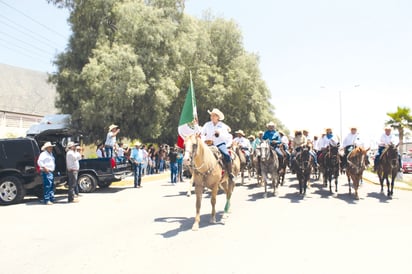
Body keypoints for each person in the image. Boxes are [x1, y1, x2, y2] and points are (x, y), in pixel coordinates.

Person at [201, 108, 234, 178]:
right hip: (208, 144)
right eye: (211, 115)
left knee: (226, 155)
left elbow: (227, 137)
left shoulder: (223, 126)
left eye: (214, 116)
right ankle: (197, 174)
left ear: (218, 117)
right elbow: (202, 133)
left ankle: (230, 172)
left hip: (220, 144)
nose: (212, 117)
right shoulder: (207, 124)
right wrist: (202, 138)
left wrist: (220, 134)